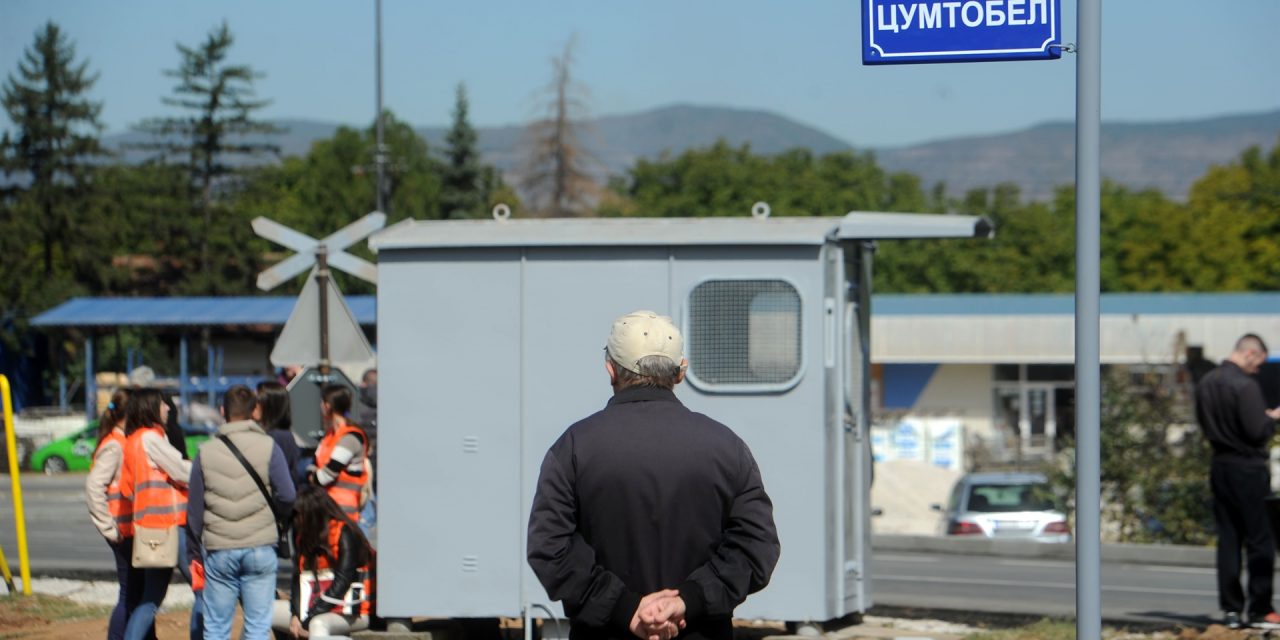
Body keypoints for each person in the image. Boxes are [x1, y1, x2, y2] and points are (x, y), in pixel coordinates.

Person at [527, 310, 780, 640]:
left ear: (610, 370)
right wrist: (688, 600)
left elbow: (551, 547)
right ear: (680, 373)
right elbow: (756, 547)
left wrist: (625, 609)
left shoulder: (573, 447)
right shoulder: (727, 447)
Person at [187, 385, 297, 639]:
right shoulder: (269, 447)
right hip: (260, 545)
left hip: (220, 548)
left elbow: (194, 509)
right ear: (255, 411)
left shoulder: (206, 451)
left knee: (216, 626)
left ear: (223, 411)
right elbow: (288, 494)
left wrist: (194, 549)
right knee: (258, 625)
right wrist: (274, 517)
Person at [1197, 334, 1280, 629]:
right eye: (1257, 363)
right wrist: (1272, 418)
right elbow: (1257, 432)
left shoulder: (1206, 383)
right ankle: (1260, 608)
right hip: (1249, 467)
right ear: (1249, 353)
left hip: (1220, 465)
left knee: (1228, 539)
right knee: (1260, 539)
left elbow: (1205, 424)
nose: (1257, 370)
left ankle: (1231, 610)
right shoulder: (1245, 386)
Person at [120, 387, 192, 640]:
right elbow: (182, 471)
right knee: (204, 588)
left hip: (149, 530)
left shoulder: (132, 441)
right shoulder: (152, 438)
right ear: (151, 407)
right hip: (172, 525)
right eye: (163, 404)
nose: (168, 409)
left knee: (151, 597)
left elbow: (128, 490)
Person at [86, 389, 152, 640]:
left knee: (137, 592)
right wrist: (108, 527)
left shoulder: (122, 439)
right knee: (130, 594)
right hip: (121, 531)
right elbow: (94, 486)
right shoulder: (115, 444)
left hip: (127, 530)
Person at [271, 486, 375, 638]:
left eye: (300, 515)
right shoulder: (304, 537)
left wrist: (307, 619)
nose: (296, 521)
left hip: (354, 611)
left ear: (314, 514)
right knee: (264, 612)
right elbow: (297, 580)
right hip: (314, 608)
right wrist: (295, 615)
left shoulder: (345, 533)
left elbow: (342, 582)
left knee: (317, 625)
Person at [310, 385, 368, 523]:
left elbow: (324, 476)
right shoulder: (330, 435)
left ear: (328, 406)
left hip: (343, 514)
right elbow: (314, 465)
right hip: (328, 509)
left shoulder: (350, 438)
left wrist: (312, 476)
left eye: (322, 402)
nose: (320, 406)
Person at [256, 381, 301, 481]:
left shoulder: (281, 437)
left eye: (258, 401)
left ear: (270, 406)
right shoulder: (267, 433)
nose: (253, 405)